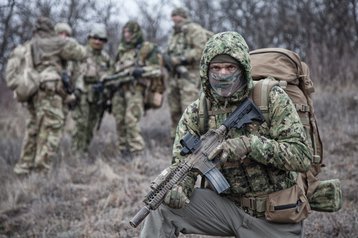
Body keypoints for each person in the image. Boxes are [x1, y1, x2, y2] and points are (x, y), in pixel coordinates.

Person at [140, 32, 312, 237]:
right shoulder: (198, 112)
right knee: (162, 208)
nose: (223, 74)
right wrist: (180, 187)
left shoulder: (270, 98)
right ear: (206, 71)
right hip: (225, 209)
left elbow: (302, 157)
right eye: (216, 68)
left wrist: (250, 145)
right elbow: (182, 164)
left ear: (243, 69)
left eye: (230, 67)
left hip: (273, 216)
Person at [13, 17, 87, 175]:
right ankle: (40, 171)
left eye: (66, 34)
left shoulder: (32, 44)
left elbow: (77, 74)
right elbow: (81, 53)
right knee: (50, 129)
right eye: (60, 33)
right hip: (49, 92)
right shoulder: (56, 44)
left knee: (35, 129)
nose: (63, 36)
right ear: (53, 31)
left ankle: (24, 167)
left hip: (37, 91)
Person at [111, 20, 163, 157]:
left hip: (136, 90)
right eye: (125, 32)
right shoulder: (122, 50)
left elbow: (157, 70)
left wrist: (141, 71)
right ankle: (123, 152)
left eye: (129, 32)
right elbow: (113, 70)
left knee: (131, 120)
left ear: (136, 33)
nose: (126, 35)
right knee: (119, 121)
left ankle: (137, 153)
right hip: (119, 90)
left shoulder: (146, 48)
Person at [164, 7, 212, 140]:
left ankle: (192, 141)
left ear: (184, 17)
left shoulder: (194, 30)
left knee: (189, 111)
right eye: (173, 17)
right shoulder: (175, 33)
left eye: (178, 16)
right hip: (174, 77)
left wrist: (179, 59)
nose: (175, 19)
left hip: (189, 77)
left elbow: (200, 50)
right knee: (174, 111)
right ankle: (176, 141)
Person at [71, 23, 112, 153]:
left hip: (98, 96)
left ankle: (84, 151)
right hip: (83, 94)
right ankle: (75, 153)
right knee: (81, 124)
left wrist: (105, 86)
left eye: (101, 39)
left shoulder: (105, 58)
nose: (97, 41)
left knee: (92, 125)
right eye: (95, 38)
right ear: (89, 38)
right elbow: (74, 72)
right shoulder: (81, 53)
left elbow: (111, 74)